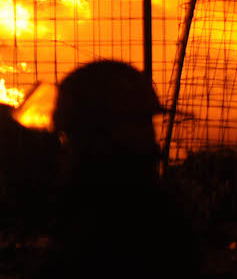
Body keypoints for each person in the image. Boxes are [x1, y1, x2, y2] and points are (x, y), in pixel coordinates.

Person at [35, 59, 200, 278]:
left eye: (70, 136)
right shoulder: (153, 210)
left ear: (97, 137)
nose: (64, 149)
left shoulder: (104, 225)